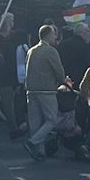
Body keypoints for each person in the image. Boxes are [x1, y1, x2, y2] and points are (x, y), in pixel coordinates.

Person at [23, 24, 69, 159]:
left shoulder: (31, 50)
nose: (55, 37)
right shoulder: (50, 51)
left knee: (35, 122)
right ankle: (32, 142)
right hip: (46, 90)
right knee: (51, 120)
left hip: (31, 90)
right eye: (54, 34)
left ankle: (39, 151)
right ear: (48, 35)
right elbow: (59, 72)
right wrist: (63, 81)